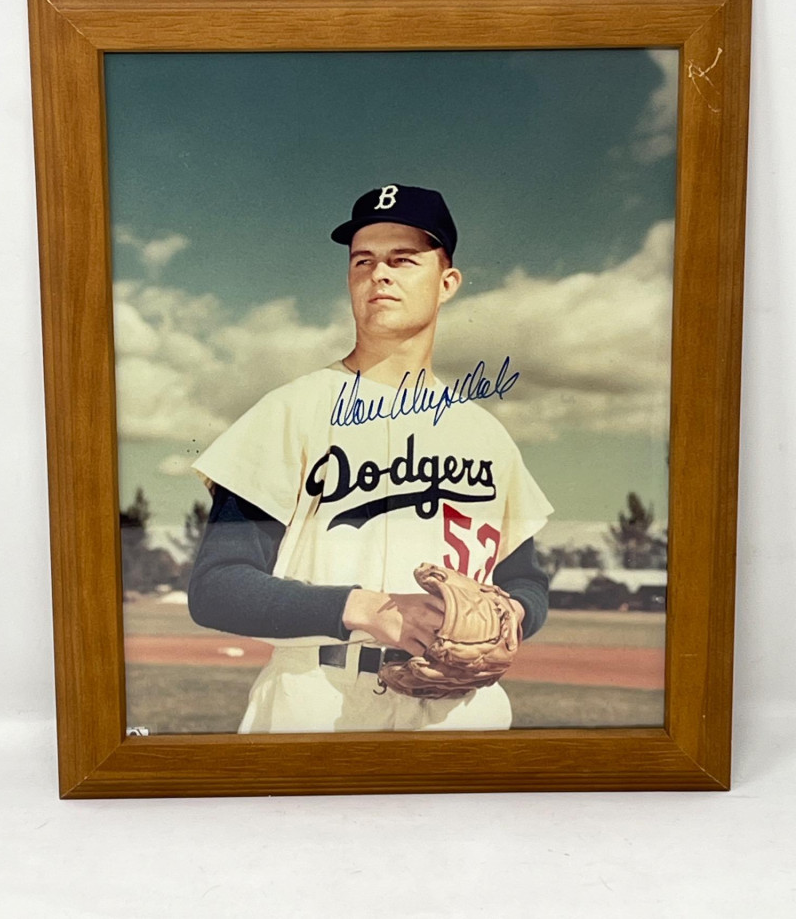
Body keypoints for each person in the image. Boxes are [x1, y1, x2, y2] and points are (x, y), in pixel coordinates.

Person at [189, 184, 553, 732]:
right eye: (363, 261)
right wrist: (369, 609)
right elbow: (217, 586)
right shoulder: (291, 410)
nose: (379, 274)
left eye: (403, 259)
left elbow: (526, 580)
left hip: (461, 709)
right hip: (320, 698)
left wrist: (508, 616)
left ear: (447, 283)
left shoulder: (487, 436)